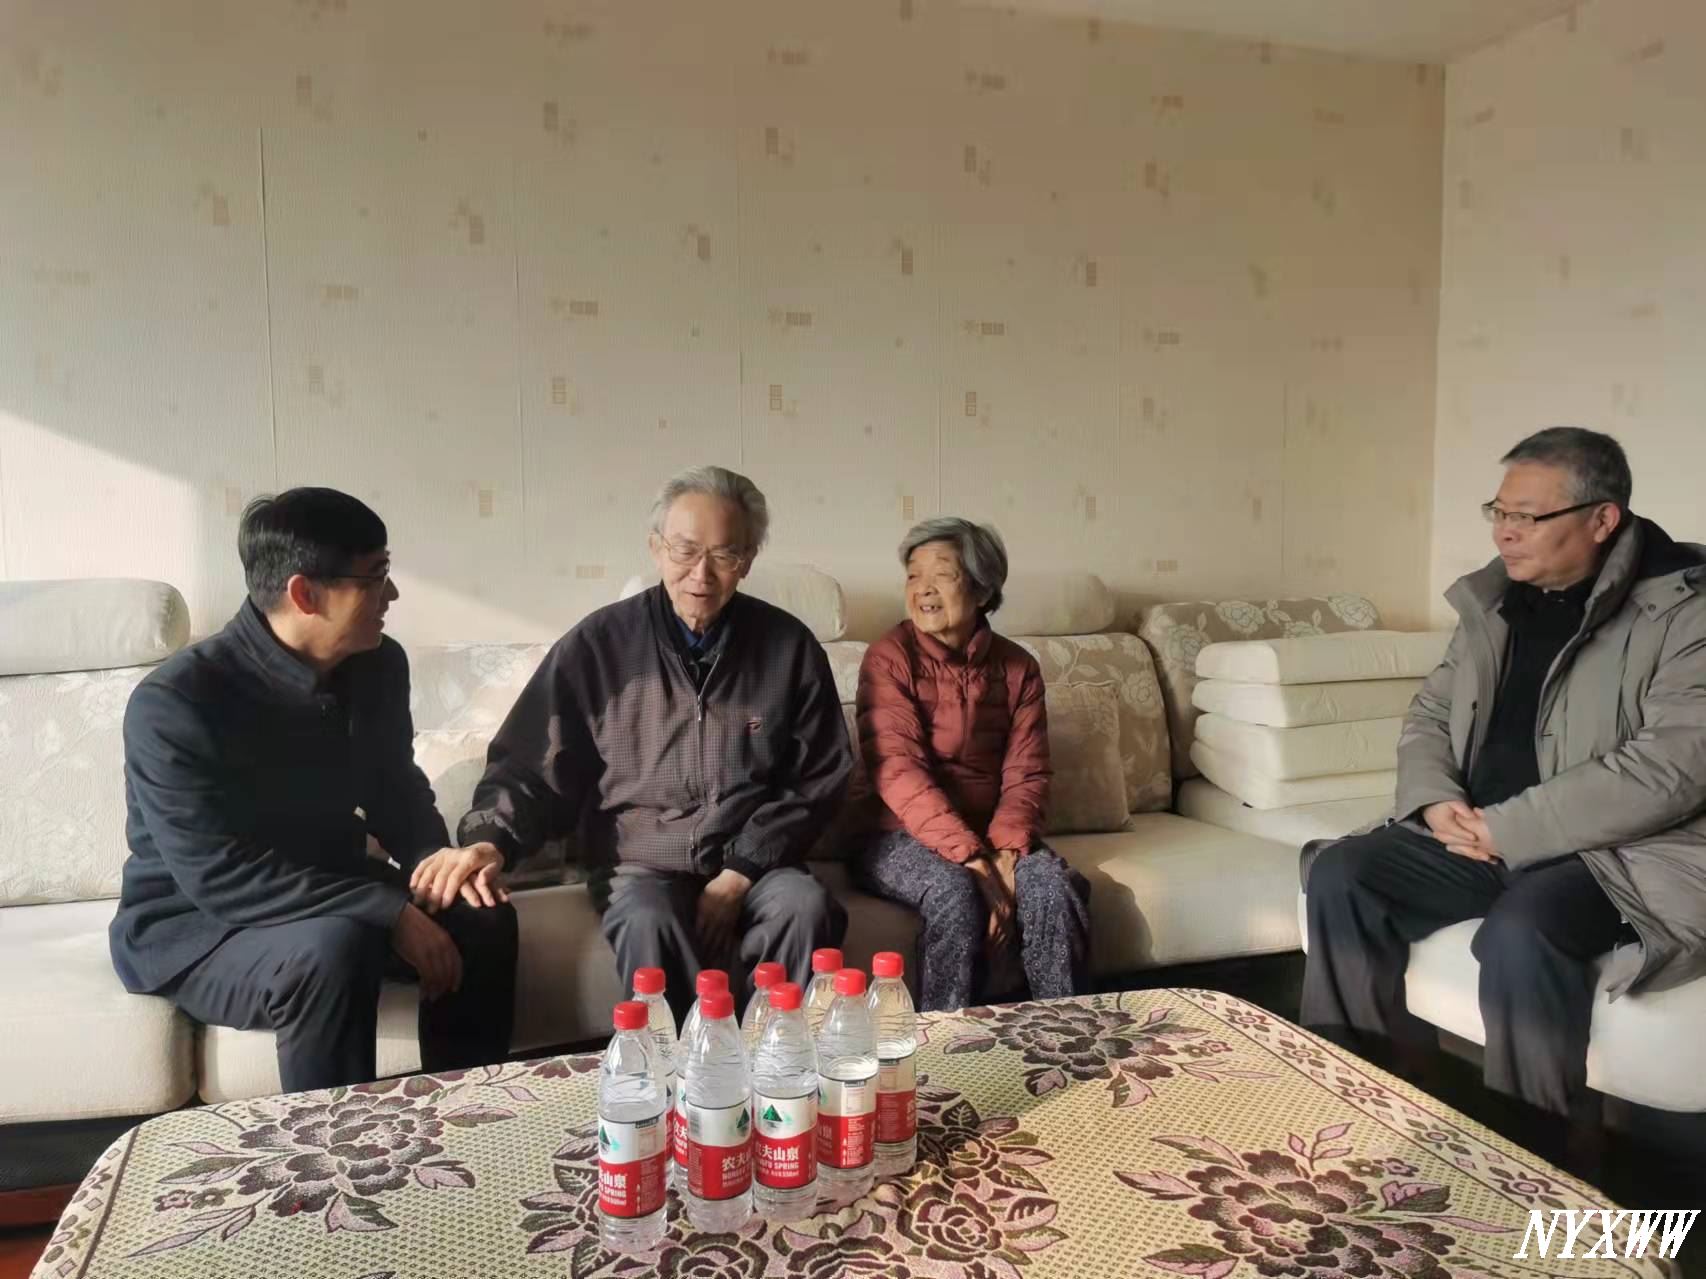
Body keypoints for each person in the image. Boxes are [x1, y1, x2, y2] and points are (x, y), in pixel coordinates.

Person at [1302, 427, 1706, 1129]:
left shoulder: (1683, 610)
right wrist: (1435, 800)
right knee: (1344, 872)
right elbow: (1432, 711)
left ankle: (1536, 1154)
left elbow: (1672, 767)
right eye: (1498, 511)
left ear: (1601, 519)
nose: (1504, 532)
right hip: (1478, 831)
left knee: (1522, 930)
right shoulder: (1494, 601)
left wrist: (1508, 828)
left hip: (1616, 851)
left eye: (1527, 516)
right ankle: (1358, 1106)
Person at [111, 488, 518, 1092]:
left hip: (330, 888)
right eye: (375, 576)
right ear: (305, 594)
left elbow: (394, 789)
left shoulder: (377, 664)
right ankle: (334, 1145)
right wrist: (387, 911)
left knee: (480, 912)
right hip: (202, 925)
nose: (391, 594)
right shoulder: (176, 703)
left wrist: (435, 864)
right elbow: (219, 875)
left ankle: (463, 1114)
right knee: (331, 947)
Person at [460, 465, 850, 1024]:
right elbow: (532, 762)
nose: (701, 573)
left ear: (747, 560)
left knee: (806, 907)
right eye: (685, 550)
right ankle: (680, 1070)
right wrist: (491, 839)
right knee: (648, 920)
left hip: (756, 861)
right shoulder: (598, 644)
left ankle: (777, 1061)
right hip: (640, 862)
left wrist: (740, 871)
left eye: (724, 554)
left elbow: (817, 778)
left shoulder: (789, 647)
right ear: (656, 548)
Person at [854, 517, 1091, 1012]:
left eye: (942, 574)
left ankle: (1063, 1033)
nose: (923, 588)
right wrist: (973, 860)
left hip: (992, 834)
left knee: (1053, 888)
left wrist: (1005, 853)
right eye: (913, 575)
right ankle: (943, 1041)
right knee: (956, 894)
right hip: (896, 834)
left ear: (983, 590)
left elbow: (1027, 772)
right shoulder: (888, 658)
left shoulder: (1018, 667)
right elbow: (898, 770)